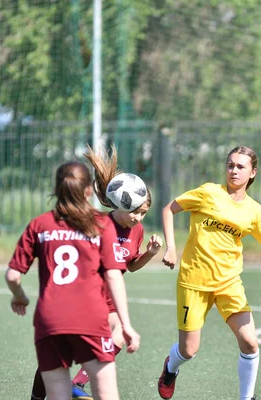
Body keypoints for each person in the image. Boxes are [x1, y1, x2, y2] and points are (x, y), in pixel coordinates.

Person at [28, 147, 163, 400]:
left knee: (120, 337)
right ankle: (38, 396)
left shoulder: (138, 231)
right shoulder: (99, 225)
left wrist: (150, 253)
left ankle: (77, 384)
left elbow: (130, 266)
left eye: (143, 213)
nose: (138, 217)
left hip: (109, 298)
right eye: (134, 211)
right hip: (86, 296)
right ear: (119, 203)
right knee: (59, 355)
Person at [6, 160, 140, 400]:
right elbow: (113, 275)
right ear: (89, 190)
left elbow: (13, 275)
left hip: (50, 320)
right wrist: (126, 324)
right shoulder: (102, 224)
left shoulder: (39, 225)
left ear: (57, 189)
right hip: (90, 318)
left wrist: (20, 297)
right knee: (107, 394)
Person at [157, 146, 261, 400]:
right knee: (189, 350)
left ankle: (247, 398)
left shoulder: (254, 210)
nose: (234, 170)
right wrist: (171, 248)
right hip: (194, 281)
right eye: (230, 165)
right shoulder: (208, 193)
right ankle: (171, 368)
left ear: (253, 172)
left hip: (228, 283)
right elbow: (168, 209)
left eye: (240, 166)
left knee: (250, 342)